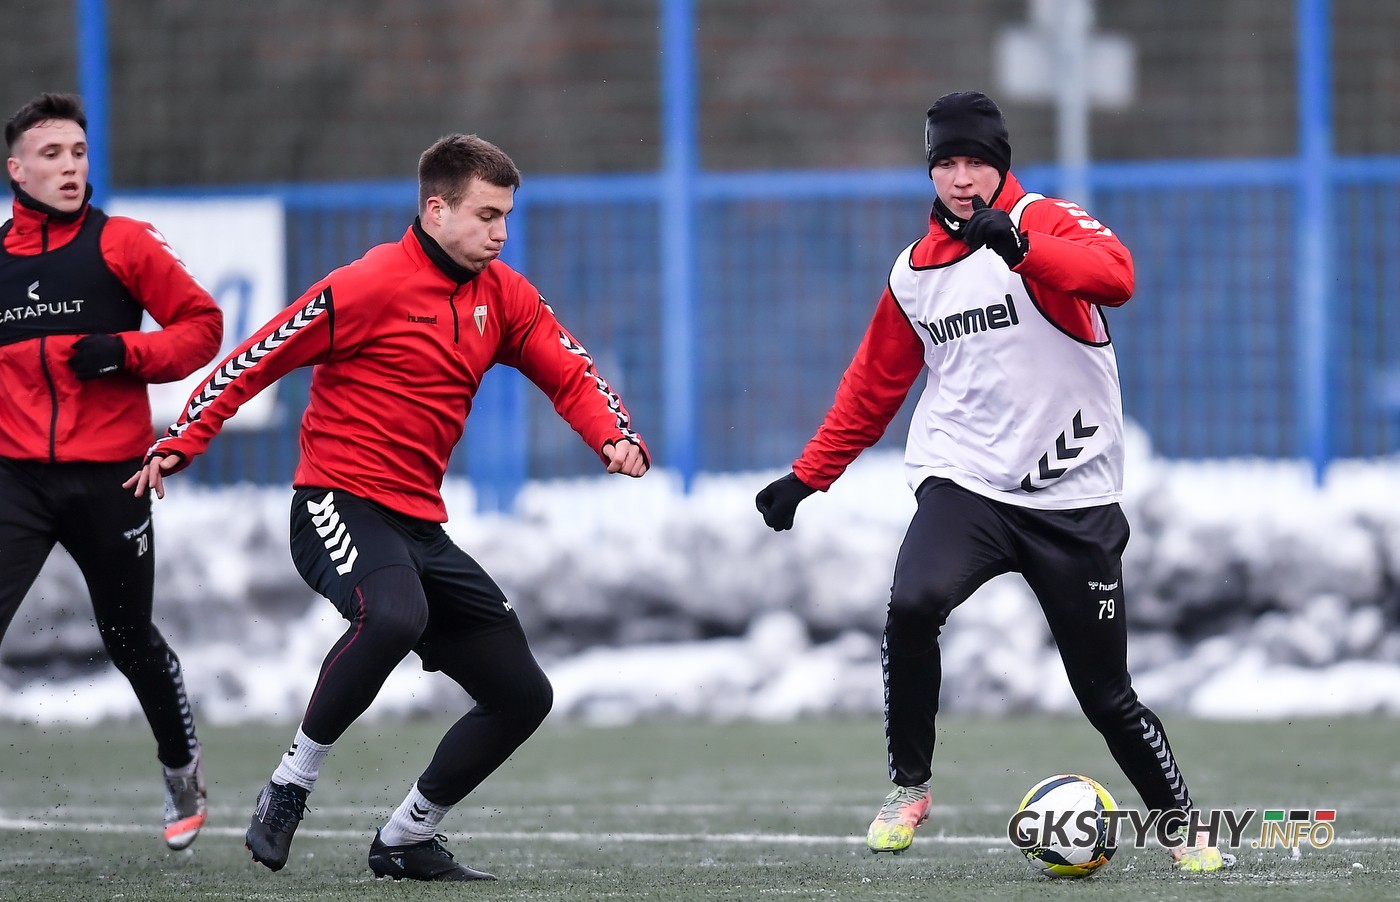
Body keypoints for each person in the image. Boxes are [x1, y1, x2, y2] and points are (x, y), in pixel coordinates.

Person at [127, 132, 650, 881]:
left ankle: (405, 837)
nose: (501, 233)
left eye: (507, 217)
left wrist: (613, 435)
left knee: (522, 693)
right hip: (333, 504)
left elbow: (570, 372)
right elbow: (258, 355)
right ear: (436, 210)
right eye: (486, 215)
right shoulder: (368, 284)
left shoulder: (504, 295)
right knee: (396, 613)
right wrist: (185, 436)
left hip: (417, 526)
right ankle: (288, 788)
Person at [755, 92, 1234, 873]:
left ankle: (1183, 826)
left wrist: (1018, 247)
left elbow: (1117, 277)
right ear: (932, 172)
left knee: (1105, 695)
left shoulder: (1047, 221)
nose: (961, 177)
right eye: (946, 162)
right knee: (912, 603)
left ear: (1000, 164)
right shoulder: (915, 273)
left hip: (1071, 499)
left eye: (976, 161)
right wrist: (807, 477)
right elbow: (873, 388)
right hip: (966, 482)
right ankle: (909, 785)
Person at [0, 93, 222, 851]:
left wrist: (129, 353)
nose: (69, 167)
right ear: (16, 169)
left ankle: (181, 767)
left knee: (127, 636)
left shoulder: (124, 245)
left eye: (79, 153)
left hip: (111, 479)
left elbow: (203, 328)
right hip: (16, 481)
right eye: (52, 154)